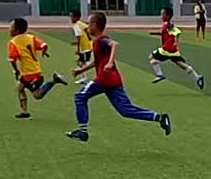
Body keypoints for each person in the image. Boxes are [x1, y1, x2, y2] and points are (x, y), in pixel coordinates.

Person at [67, 12, 172, 143]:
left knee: (79, 97)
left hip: (104, 79)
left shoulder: (102, 40)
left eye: (89, 24)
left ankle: (82, 131)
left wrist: (110, 63)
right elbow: (97, 62)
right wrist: (81, 70)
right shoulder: (97, 42)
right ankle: (160, 118)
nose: (87, 27)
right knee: (125, 110)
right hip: (114, 80)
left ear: (95, 25)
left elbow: (114, 44)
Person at [8, 17, 67, 119]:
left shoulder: (13, 42)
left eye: (11, 27)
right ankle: (25, 112)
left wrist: (16, 70)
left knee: (37, 95)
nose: (9, 29)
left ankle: (54, 80)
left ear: (16, 31)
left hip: (30, 73)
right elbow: (44, 45)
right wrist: (44, 51)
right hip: (32, 71)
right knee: (19, 88)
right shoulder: (31, 37)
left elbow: (12, 59)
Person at [149, 7, 205, 90]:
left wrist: (176, 41)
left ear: (168, 16)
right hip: (173, 50)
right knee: (182, 65)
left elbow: (177, 32)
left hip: (167, 49)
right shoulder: (168, 24)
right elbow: (168, 33)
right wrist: (154, 33)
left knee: (151, 57)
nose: (161, 16)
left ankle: (159, 74)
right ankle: (197, 77)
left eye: (163, 14)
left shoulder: (168, 24)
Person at [69, 9, 93, 85]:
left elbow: (79, 37)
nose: (71, 18)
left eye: (72, 17)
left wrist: (78, 49)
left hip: (85, 47)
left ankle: (85, 79)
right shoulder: (81, 24)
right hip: (87, 46)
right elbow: (86, 33)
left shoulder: (76, 25)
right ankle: (84, 78)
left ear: (77, 17)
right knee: (81, 62)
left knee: (82, 63)